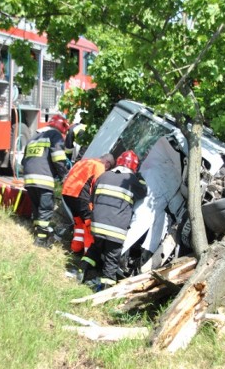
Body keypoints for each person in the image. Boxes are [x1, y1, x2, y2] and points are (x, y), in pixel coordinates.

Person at [81, 150, 147, 290]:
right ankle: (105, 289)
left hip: (97, 224)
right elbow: (144, 191)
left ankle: (81, 272)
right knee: (111, 259)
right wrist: (139, 177)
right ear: (134, 167)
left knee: (95, 249)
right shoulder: (133, 181)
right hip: (115, 228)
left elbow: (93, 198)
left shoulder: (104, 176)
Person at [22, 114, 70, 247]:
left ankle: (37, 231)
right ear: (62, 126)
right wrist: (64, 176)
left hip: (29, 180)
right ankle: (41, 241)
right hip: (43, 179)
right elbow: (58, 158)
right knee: (46, 209)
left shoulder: (33, 138)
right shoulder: (55, 135)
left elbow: (23, 161)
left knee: (37, 208)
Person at [61, 153, 115, 254]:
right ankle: (88, 253)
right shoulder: (99, 166)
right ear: (107, 163)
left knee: (79, 222)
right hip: (80, 195)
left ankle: (76, 247)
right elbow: (97, 185)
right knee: (89, 224)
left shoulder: (83, 162)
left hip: (67, 193)